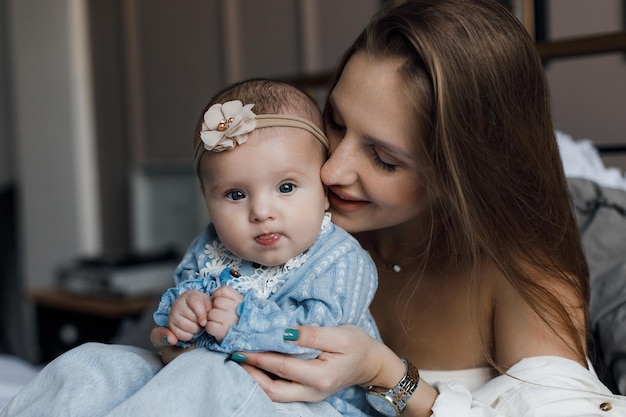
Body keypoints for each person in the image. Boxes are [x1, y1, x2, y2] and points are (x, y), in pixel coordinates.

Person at [3, 1, 626, 416]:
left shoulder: (523, 279)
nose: (330, 170)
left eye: (383, 158)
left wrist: (387, 373)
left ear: (461, 174)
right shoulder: (291, 225)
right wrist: (178, 337)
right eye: (334, 122)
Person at [152, 78, 379, 414]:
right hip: (226, 386)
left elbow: (314, 338)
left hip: (319, 403)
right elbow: (186, 291)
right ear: (207, 199)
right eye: (235, 195)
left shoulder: (339, 259)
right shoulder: (211, 248)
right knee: (95, 363)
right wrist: (187, 312)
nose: (261, 212)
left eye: (286, 187)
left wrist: (242, 323)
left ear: (324, 190)